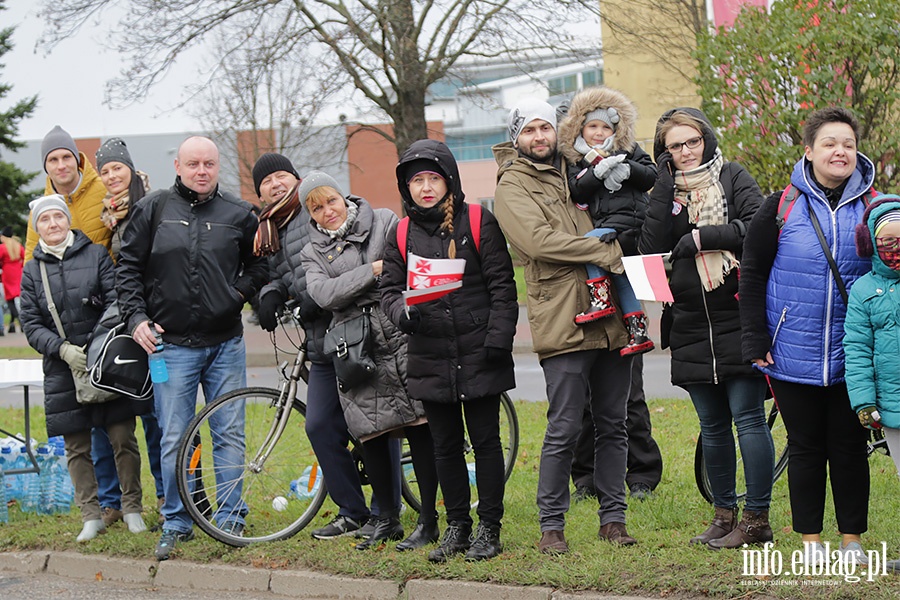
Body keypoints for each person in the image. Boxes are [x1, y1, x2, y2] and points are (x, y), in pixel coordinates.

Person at [493, 98, 636, 553]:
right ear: (517, 137)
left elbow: (623, 208)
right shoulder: (511, 184)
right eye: (529, 130)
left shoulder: (580, 168)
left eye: (545, 128)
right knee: (565, 426)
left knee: (615, 423)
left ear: (558, 130)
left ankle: (613, 520)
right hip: (562, 314)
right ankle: (551, 526)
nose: (539, 137)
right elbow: (536, 242)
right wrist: (600, 251)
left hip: (609, 309)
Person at [116, 136, 268, 561]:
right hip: (171, 346)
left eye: (210, 164)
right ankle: (178, 521)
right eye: (194, 163)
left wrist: (236, 294)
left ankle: (232, 517)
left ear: (218, 167)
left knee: (229, 434)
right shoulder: (154, 210)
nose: (202, 171)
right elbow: (127, 268)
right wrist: (136, 319)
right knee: (175, 438)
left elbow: (259, 265)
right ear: (178, 166)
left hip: (225, 343)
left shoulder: (239, 214)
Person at [740, 107, 874, 565]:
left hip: (853, 355)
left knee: (850, 448)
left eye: (849, 144)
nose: (840, 151)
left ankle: (852, 538)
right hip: (791, 351)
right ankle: (810, 541)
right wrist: (756, 339)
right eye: (830, 143)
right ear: (809, 151)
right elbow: (752, 275)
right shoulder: (781, 206)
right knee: (806, 448)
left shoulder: (877, 209)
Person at [640, 108, 772, 549]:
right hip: (691, 323)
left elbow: (759, 226)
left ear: (706, 139)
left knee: (749, 420)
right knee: (712, 426)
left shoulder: (733, 176)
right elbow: (649, 249)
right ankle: (723, 514)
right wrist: (661, 188)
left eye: (691, 141)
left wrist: (703, 237)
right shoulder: (663, 191)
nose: (685, 152)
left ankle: (756, 520)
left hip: (739, 314)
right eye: (674, 146)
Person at [381, 139, 518, 562]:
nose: (425, 188)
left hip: (479, 351)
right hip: (429, 352)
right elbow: (389, 289)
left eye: (432, 179)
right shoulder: (400, 232)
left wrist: (497, 338)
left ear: (449, 181)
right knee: (444, 446)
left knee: (486, 441)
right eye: (416, 180)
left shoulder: (478, 220)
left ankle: (489, 528)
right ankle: (457, 526)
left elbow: (503, 287)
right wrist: (402, 313)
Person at [252, 153, 400, 540]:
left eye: (282, 176)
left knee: (375, 424)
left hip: (359, 336)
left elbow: (340, 275)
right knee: (319, 425)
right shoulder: (271, 228)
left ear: (298, 180)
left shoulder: (318, 210)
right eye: (266, 182)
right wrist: (269, 294)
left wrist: (319, 297)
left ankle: (387, 513)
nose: (275, 185)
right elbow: (278, 276)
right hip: (321, 344)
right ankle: (352, 510)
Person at [298, 171, 439, 552]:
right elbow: (324, 294)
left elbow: (399, 267)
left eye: (331, 201)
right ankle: (387, 519)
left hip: (397, 331)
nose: (327, 211)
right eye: (316, 207)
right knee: (371, 430)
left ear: (343, 197)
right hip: (355, 345)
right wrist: (370, 272)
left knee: (419, 424)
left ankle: (429, 519)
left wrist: (373, 277)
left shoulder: (383, 220)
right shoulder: (311, 251)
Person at [20, 195, 145, 541]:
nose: (53, 224)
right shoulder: (32, 270)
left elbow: (116, 299)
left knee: (123, 438)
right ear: (37, 227)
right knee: (76, 446)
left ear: (68, 219)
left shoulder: (95, 255)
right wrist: (61, 349)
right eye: (45, 220)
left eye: (58, 217)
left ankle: (132, 507)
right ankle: (91, 514)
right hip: (62, 369)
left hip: (105, 360)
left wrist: (95, 345)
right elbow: (30, 323)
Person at [90, 137, 164, 529]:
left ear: (132, 170)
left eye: (117, 167)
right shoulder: (109, 216)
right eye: (104, 170)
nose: (112, 176)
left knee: (162, 415)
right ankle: (127, 502)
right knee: (138, 408)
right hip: (129, 327)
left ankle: (174, 495)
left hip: (160, 328)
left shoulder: (151, 206)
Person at [559, 86, 656, 355]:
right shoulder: (579, 160)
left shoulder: (628, 150)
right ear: (581, 129)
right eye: (592, 126)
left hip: (632, 221)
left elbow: (651, 175)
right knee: (621, 277)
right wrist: (598, 172)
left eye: (605, 127)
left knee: (588, 245)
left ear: (616, 131)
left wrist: (627, 168)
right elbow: (578, 189)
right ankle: (639, 332)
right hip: (608, 226)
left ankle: (600, 301)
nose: (599, 133)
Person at [844, 196, 900, 575]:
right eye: (887, 241)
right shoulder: (864, 291)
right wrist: (864, 401)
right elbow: (857, 350)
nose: (895, 249)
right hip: (893, 405)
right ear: (872, 245)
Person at [570, 355, 663, 502]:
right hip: (585, 336)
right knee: (586, 402)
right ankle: (587, 479)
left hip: (623, 335)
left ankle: (642, 477)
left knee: (632, 399)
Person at [24, 125, 111, 262]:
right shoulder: (41, 210)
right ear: (45, 166)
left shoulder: (106, 189)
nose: (61, 166)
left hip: (114, 281)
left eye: (66, 157)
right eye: (53, 160)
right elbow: (30, 263)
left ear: (77, 159)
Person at [0, 226, 23, 334]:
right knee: (16, 297)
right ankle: (12, 326)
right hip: (18, 272)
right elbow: (25, 257)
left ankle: (20, 321)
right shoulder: (18, 246)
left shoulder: (2, 247)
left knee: (10, 300)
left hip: (7, 273)